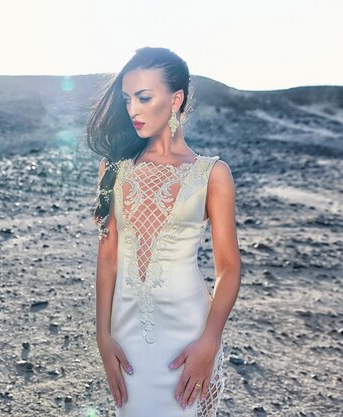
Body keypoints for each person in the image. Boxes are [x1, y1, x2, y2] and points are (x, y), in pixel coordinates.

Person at [87, 47, 241, 416]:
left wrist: (210, 340)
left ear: (175, 100)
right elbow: (108, 257)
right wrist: (102, 337)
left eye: (144, 98)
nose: (133, 110)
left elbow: (228, 268)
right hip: (128, 336)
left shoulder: (212, 174)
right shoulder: (114, 169)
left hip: (189, 335)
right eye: (127, 99)